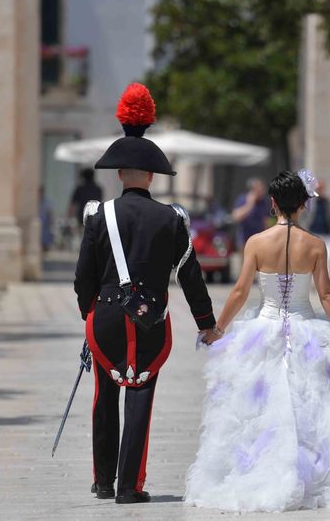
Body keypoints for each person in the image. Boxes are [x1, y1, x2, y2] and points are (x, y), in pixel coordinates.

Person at [184, 170, 330, 512]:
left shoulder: (256, 242)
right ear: (302, 205)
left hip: (262, 329)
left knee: (255, 411)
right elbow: (326, 293)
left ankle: (254, 473)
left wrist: (218, 329)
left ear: (272, 204)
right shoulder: (315, 245)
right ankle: (313, 480)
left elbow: (240, 291)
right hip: (306, 330)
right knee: (312, 409)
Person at [74, 83, 217, 505]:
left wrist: (89, 318)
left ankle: (103, 481)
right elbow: (191, 277)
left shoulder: (98, 217)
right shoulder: (171, 219)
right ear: (151, 176)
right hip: (151, 318)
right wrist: (207, 325)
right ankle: (130, 486)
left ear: (119, 173)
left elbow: (84, 279)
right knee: (141, 392)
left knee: (104, 394)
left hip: (103, 318)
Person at [231, 177, 270, 247]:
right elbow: (236, 217)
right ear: (253, 189)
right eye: (260, 189)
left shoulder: (263, 202)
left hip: (259, 239)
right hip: (245, 240)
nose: (263, 191)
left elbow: (265, 221)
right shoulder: (242, 199)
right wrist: (249, 204)